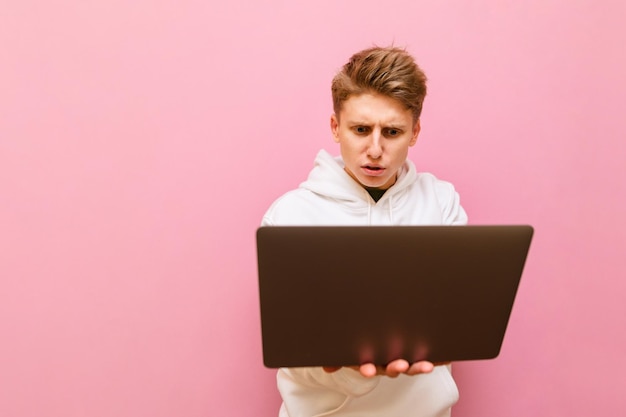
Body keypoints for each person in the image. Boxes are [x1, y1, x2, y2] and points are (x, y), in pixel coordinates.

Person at [261, 46, 468, 417]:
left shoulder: (442, 202)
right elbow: (290, 348)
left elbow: (454, 322)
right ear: (335, 127)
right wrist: (343, 368)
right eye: (360, 129)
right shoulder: (290, 215)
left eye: (392, 131)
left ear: (415, 131)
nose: (375, 149)